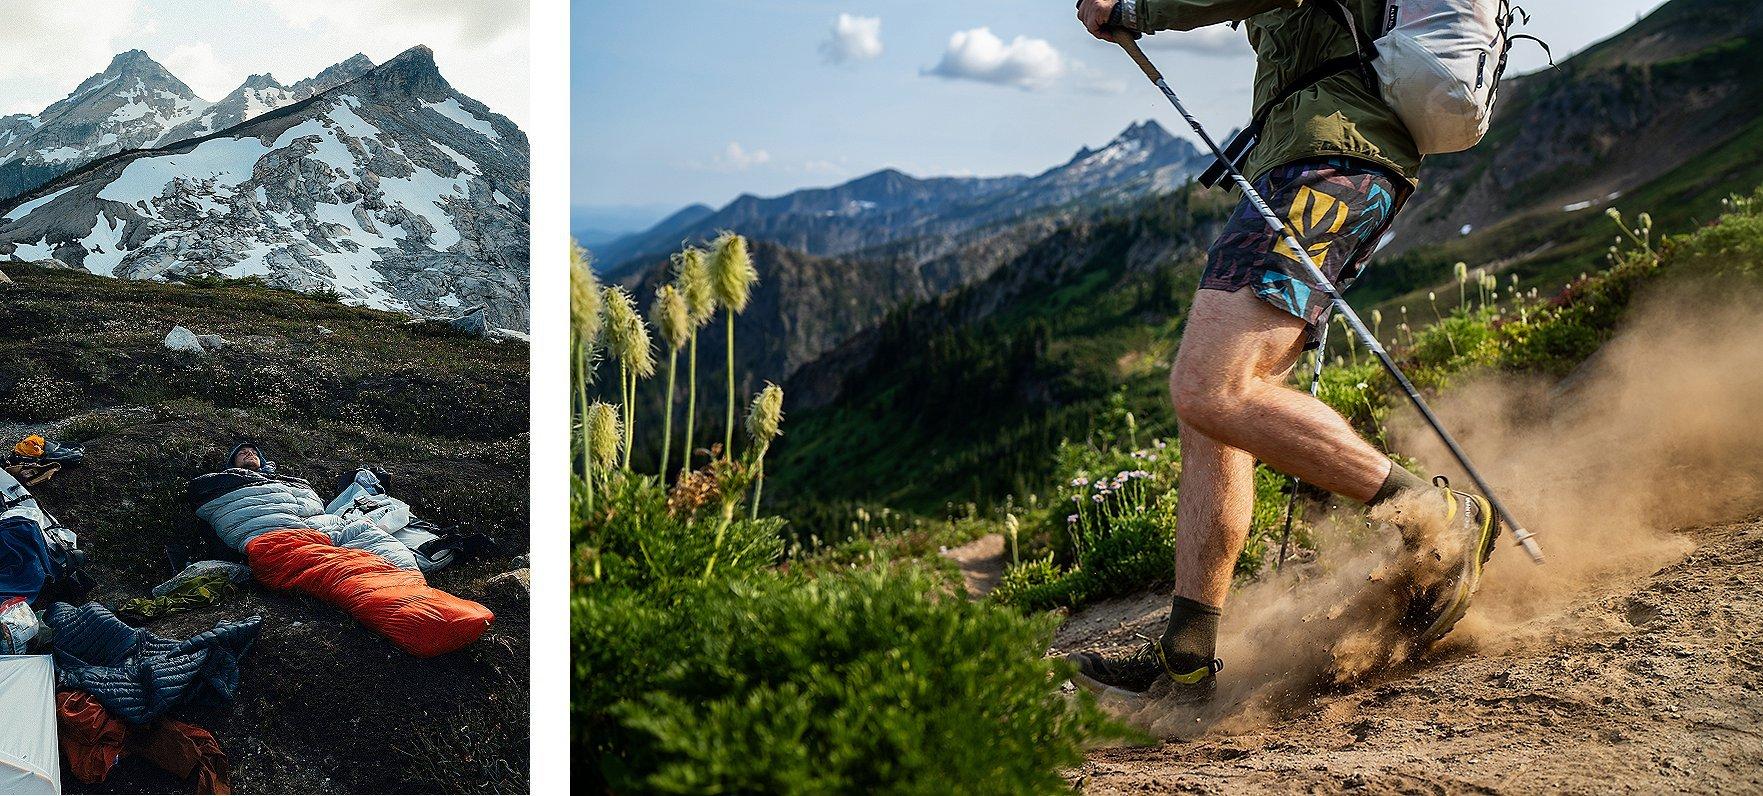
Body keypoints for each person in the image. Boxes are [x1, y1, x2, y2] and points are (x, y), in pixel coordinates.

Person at [1067, 0, 1501, 702]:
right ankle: (1185, 655)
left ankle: (1435, 519)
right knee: (1210, 406)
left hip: (1329, 160)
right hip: (1311, 158)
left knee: (1214, 388)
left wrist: (1136, 9)